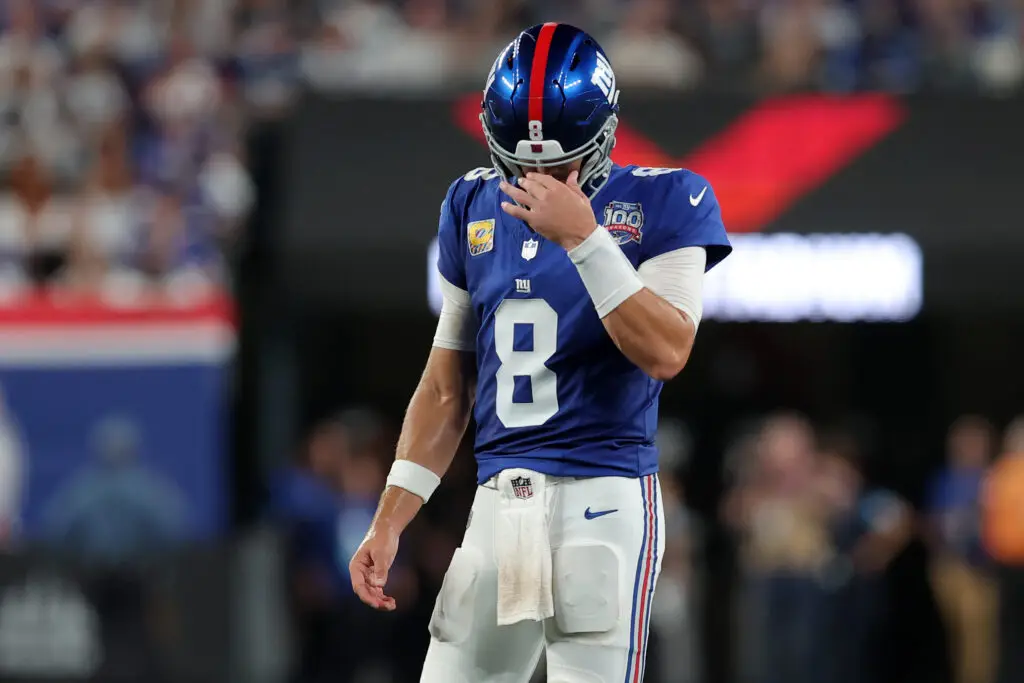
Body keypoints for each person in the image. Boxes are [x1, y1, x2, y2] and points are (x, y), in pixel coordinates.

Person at [348, 22, 731, 683]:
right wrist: (391, 517)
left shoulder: (667, 198)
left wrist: (586, 239)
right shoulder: (472, 202)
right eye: (522, 162)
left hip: (604, 500)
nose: (537, 178)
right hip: (502, 506)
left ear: (604, 137)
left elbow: (667, 349)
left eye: (558, 163)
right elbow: (447, 387)